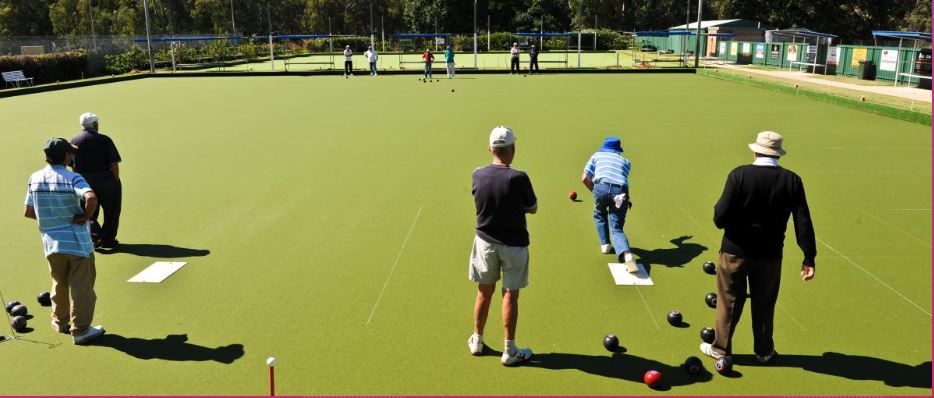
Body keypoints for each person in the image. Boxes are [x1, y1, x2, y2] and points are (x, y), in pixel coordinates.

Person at [702, 131, 816, 365]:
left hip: (734, 250)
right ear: (778, 154)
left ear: (755, 151)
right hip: (770, 255)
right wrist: (809, 257)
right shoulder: (792, 180)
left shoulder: (739, 175)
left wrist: (724, 220)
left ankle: (722, 349)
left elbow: (719, 216)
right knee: (765, 303)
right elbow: (802, 220)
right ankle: (764, 351)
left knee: (729, 299)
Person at [467, 126, 537, 366]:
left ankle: (477, 340)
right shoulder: (519, 177)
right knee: (510, 295)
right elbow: (533, 207)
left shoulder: (477, 174)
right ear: (513, 149)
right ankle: (510, 351)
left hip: (485, 243)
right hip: (515, 246)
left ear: (490, 149)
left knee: (483, 291)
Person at [24, 137, 105, 345]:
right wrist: (85, 216)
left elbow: (29, 212)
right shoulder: (73, 178)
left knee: (59, 283)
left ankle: (60, 322)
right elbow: (91, 198)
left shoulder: (34, 178)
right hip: (78, 244)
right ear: (66, 155)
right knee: (82, 288)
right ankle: (80, 331)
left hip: (51, 243)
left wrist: (52, 219)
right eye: (71, 153)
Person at [581, 137, 638, 273]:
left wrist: (596, 192)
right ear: (618, 150)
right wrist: (627, 199)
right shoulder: (626, 162)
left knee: (599, 213)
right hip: (620, 193)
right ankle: (626, 253)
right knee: (617, 228)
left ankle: (605, 245)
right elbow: (624, 182)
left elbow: (585, 178)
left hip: (601, 188)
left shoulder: (596, 155)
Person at [71, 113, 122, 249]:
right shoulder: (104, 140)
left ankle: (95, 235)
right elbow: (114, 164)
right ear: (95, 125)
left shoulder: (74, 140)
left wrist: (77, 180)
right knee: (112, 211)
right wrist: (115, 181)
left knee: (88, 210)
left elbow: (72, 165)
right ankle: (108, 239)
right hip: (106, 180)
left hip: (84, 182)